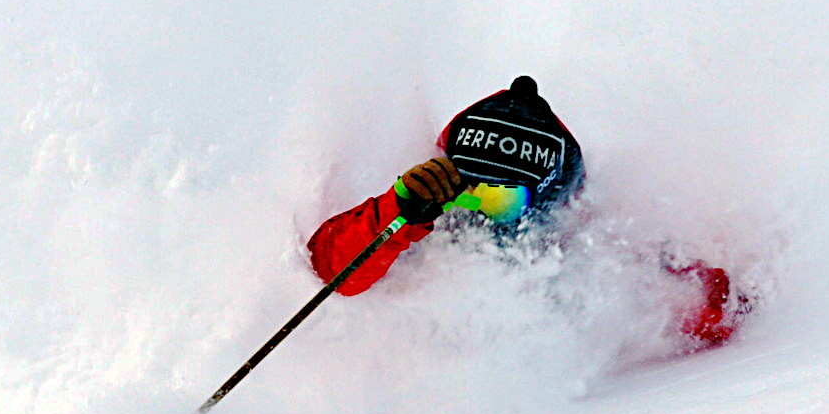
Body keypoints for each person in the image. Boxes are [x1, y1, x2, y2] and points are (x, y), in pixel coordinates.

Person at [306, 76, 743, 347]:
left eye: (501, 201)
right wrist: (397, 210)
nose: (474, 210)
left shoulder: (597, 252)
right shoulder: (426, 222)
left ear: (554, 204)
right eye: (465, 188)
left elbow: (718, 308)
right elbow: (328, 269)